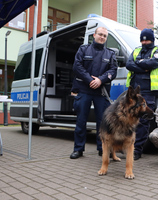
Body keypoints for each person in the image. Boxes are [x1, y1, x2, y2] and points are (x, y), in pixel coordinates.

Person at [70, 27, 118, 159]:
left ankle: (102, 149)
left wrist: (100, 80)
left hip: (101, 92)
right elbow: (77, 66)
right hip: (84, 89)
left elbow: (113, 70)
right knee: (81, 121)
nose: (102, 37)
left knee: (102, 122)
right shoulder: (83, 49)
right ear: (94, 35)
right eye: (100, 35)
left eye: (104, 36)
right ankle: (78, 149)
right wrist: (90, 80)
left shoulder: (110, 54)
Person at [126, 28, 158, 160]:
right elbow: (129, 64)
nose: (144, 42)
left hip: (149, 90)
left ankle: (137, 150)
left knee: (143, 121)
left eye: (147, 39)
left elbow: (155, 62)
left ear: (152, 39)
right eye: (142, 39)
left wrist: (139, 64)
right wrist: (144, 66)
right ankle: (128, 146)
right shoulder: (136, 50)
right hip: (133, 91)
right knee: (130, 118)